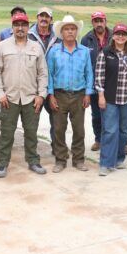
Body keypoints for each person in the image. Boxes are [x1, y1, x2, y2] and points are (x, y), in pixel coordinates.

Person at [0, 13, 49, 178]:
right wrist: (1, 94)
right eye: (17, 25)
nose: (20, 28)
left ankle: (33, 161)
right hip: (9, 99)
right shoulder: (2, 46)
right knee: (6, 133)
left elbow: (43, 73)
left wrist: (41, 95)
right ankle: (2, 163)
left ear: (28, 27)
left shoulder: (36, 47)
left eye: (23, 25)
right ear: (12, 27)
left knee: (31, 132)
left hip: (31, 98)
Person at [47, 14, 94, 173]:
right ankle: (60, 160)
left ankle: (78, 160)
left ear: (76, 31)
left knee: (79, 130)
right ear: (61, 32)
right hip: (59, 95)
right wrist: (51, 95)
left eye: (73, 28)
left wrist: (88, 94)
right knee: (59, 129)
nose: (70, 31)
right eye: (66, 29)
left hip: (79, 95)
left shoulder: (84, 51)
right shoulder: (54, 51)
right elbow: (49, 74)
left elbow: (89, 73)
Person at [95, 23, 127, 176]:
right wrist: (101, 96)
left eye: (123, 34)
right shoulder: (106, 53)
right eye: (118, 34)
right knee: (110, 130)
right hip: (110, 99)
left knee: (124, 130)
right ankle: (106, 163)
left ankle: (119, 159)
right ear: (113, 36)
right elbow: (99, 76)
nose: (120, 37)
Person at [80, 11, 112, 153]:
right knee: (96, 114)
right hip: (93, 83)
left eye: (101, 21)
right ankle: (99, 139)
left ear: (105, 21)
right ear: (92, 22)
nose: (99, 24)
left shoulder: (114, 36)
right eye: (96, 21)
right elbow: (83, 63)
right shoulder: (86, 39)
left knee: (113, 114)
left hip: (111, 83)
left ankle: (119, 141)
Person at [28, 6, 60, 148]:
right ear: (37, 18)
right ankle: (31, 150)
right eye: (41, 16)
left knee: (57, 119)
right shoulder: (28, 35)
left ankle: (57, 147)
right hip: (34, 84)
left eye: (47, 16)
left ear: (51, 19)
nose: (44, 19)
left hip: (54, 84)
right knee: (32, 119)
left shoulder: (58, 36)